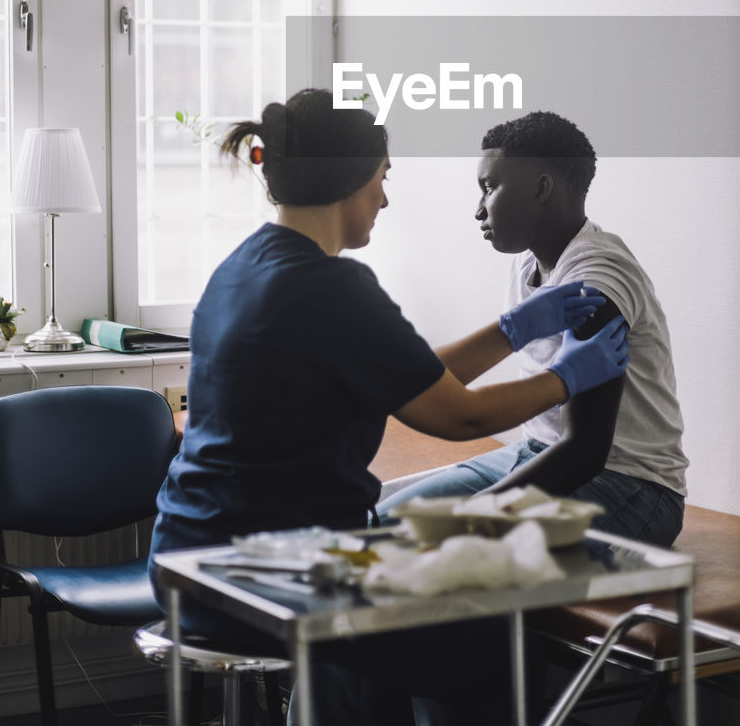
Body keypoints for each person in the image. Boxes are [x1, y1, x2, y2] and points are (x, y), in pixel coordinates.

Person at [148, 89, 629, 724]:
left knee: (393, 632)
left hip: (188, 556)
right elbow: (460, 417)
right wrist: (568, 377)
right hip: (268, 571)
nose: (384, 197)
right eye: (382, 177)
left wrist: (510, 330)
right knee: (487, 641)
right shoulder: (334, 287)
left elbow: (410, 376)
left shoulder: (243, 267)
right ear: (351, 179)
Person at [378, 111, 688, 549]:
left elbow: (585, 452)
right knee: (379, 525)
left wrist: (468, 519)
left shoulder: (597, 278)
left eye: (489, 188)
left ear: (542, 188)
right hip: (535, 456)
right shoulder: (526, 264)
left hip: (628, 487)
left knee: (428, 547)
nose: (478, 209)